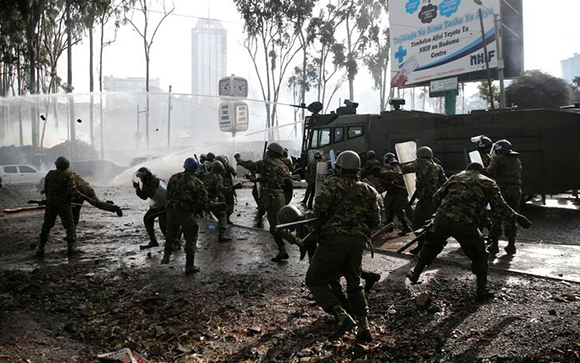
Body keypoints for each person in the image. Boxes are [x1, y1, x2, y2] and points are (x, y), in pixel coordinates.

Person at [407, 163, 532, 298]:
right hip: (466, 223)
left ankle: (416, 273)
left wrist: (439, 213)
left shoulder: (455, 177)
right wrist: (517, 217)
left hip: (443, 220)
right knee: (480, 255)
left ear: (467, 170)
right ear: (481, 171)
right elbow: (500, 207)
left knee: (430, 246)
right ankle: (481, 290)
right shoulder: (489, 183)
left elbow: (436, 196)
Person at [305, 150, 381, 342]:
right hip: (357, 242)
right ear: (357, 170)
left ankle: (342, 316)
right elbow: (376, 220)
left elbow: (319, 208)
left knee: (315, 279)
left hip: (334, 240)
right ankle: (364, 327)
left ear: (339, 167)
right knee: (354, 282)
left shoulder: (332, 183)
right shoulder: (368, 190)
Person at [235, 142, 295, 261]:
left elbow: (250, 165)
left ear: (272, 153)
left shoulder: (268, 162)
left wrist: (239, 159)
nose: (267, 153)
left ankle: (300, 243)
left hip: (272, 198)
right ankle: (282, 250)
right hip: (279, 196)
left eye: (268, 151)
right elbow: (273, 178)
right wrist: (258, 179)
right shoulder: (281, 164)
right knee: (275, 226)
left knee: (276, 227)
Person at [161, 158, 208, 273]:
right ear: (196, 169)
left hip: (172, 211)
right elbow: (203, 201)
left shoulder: (174, 177)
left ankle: (166, 256)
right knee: (191, 239)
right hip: (187, 213)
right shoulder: (197, 182)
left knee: (171, 233)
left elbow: (168, 194)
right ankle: (189, 266)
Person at [401, 146, 447, 254]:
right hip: (436, 200)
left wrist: (400, 165)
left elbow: (406, 169)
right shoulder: (437, 167)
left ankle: (423, 247)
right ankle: (431, 244)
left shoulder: (422, 162)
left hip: (426, 201)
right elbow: (445, 183)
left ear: (420, 156)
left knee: (418, 223)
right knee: (431, 224)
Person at [36, 156, 82, 257]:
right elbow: (73, 191)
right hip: (64, 205)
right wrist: (86, 197)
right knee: (70, 226)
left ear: (56, 165)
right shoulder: (68, 175)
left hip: (50, 204)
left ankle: (40, 248)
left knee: (46, 226)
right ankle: (71, 249)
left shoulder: (50, 174)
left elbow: (46, 189)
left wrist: (49, 200)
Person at [486, 140, 523, 254]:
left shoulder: (498, 159)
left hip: (502, 190)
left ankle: (495, 245)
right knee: (512, 216)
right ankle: (511, 245)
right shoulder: (516, 160)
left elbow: (490, 172)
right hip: (516, 190)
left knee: (496, 216)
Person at [202, 160, 242, 242]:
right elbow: (221, 190)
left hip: (202, 199)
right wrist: (234, 187)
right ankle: (221, 236)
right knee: (222, 215)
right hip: (211, 200)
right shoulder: (218, 177)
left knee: (191, 218)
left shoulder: (205, 175)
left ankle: (177, 236)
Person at [374, 153, 412, 234]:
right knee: (388, 204)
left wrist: (394, 182)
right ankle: (389, 224)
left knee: (397, 208)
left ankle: (406, 227)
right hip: (394, 190)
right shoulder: (388, 168)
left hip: (401, 190)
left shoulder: (395, 167)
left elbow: (398, 176)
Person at [133, 167, 167, 249]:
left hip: (164, 205)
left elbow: (145, 196)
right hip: (159, 204)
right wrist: (138, 189)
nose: (141, 179)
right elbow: (145, 196)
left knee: (163, 226)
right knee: (148, 218)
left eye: (141, 177)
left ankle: (174, 242)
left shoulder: (152, 183)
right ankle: (154, 241)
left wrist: (138, 189)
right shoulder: (155, 181)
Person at [216, 155, 237, 224]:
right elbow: (234, 173)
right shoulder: (227, 166)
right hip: (225, 188)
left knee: (225, 205)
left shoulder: (227, 166)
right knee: (227, 205)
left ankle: (225, 219)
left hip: (225, 189)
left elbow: (234, 172)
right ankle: (225, 219)